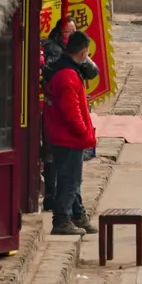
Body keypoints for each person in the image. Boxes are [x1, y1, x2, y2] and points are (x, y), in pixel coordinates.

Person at [43, 31, 97, 235]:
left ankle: (77, 214)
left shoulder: (67, 70)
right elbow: (71, 114)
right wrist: (84, 133)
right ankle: (62, 219)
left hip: (63, 136)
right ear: (83, 53)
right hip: (68, 138)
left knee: (73, 179)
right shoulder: (67, 76)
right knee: (69, 180)